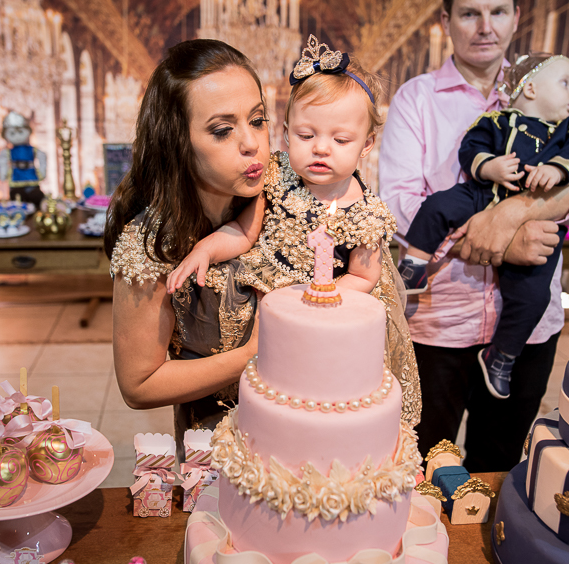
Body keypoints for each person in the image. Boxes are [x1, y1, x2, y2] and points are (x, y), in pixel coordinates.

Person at [379, 0, 569, 471]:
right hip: (439, 324)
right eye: (469, 13)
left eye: (497, 11)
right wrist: (496, 239)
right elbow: (399, 203)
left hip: (527, 330)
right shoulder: (416, 99)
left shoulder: (559, 94)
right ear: (445, 21)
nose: (485, 27)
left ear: (515, 16)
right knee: (418, 465)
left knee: (499, 466)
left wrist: (509, 216)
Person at [166, 35, 421, 427]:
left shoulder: (366, 213)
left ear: (367, 144)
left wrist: (317, 296)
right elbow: (243, 231)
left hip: (317, 319)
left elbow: (365, 276)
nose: (321, 149)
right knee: (251, 402)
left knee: (305, 412)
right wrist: (206, 249)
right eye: (307, 136)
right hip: (255, 308)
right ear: (286, 134)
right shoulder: (276, 176)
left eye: (340, 140)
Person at [399, 53, 569, 399]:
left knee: (535, 294)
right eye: (566, 84)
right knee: (437, 206)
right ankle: (414, 267)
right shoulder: (495, 120)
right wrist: (489, 167)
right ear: (531, 88)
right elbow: (470, 148)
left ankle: (502, 355)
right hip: (480, 194)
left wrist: (559, 171)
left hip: (535, 219)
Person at [105, 39, 269, 454]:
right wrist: (256, 354)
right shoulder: (150, 246)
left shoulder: (283, 195)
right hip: (217, 445)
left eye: (258, 120)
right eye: (222, 130)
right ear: (178, 141)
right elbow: (138, 385)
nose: (251, 143)